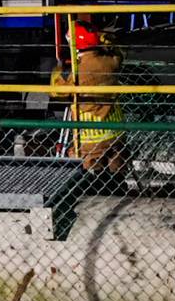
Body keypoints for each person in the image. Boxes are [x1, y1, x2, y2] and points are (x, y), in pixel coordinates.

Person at [52, 22, 126, 188]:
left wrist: (58, 69)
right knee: (117, 173)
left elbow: (56, 92)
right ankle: (118, 188)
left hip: (91, 138)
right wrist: (108, 43)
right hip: (116, 132)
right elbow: (120, 54)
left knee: (87, 170)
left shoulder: (77, 72)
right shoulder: (111, 62)